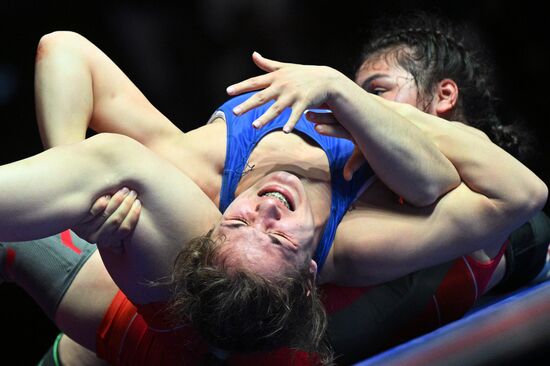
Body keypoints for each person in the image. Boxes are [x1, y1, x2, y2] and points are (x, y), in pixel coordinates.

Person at [2, 11, 548, 365]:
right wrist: (67, 170)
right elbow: (63, 48)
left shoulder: (383, 191)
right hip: (164, 317)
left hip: (195, 324)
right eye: (356, 88)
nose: (264, 209)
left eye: (376, 90)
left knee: (521, 236)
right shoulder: (209, 165)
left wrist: (345, 94)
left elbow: (482, 187)